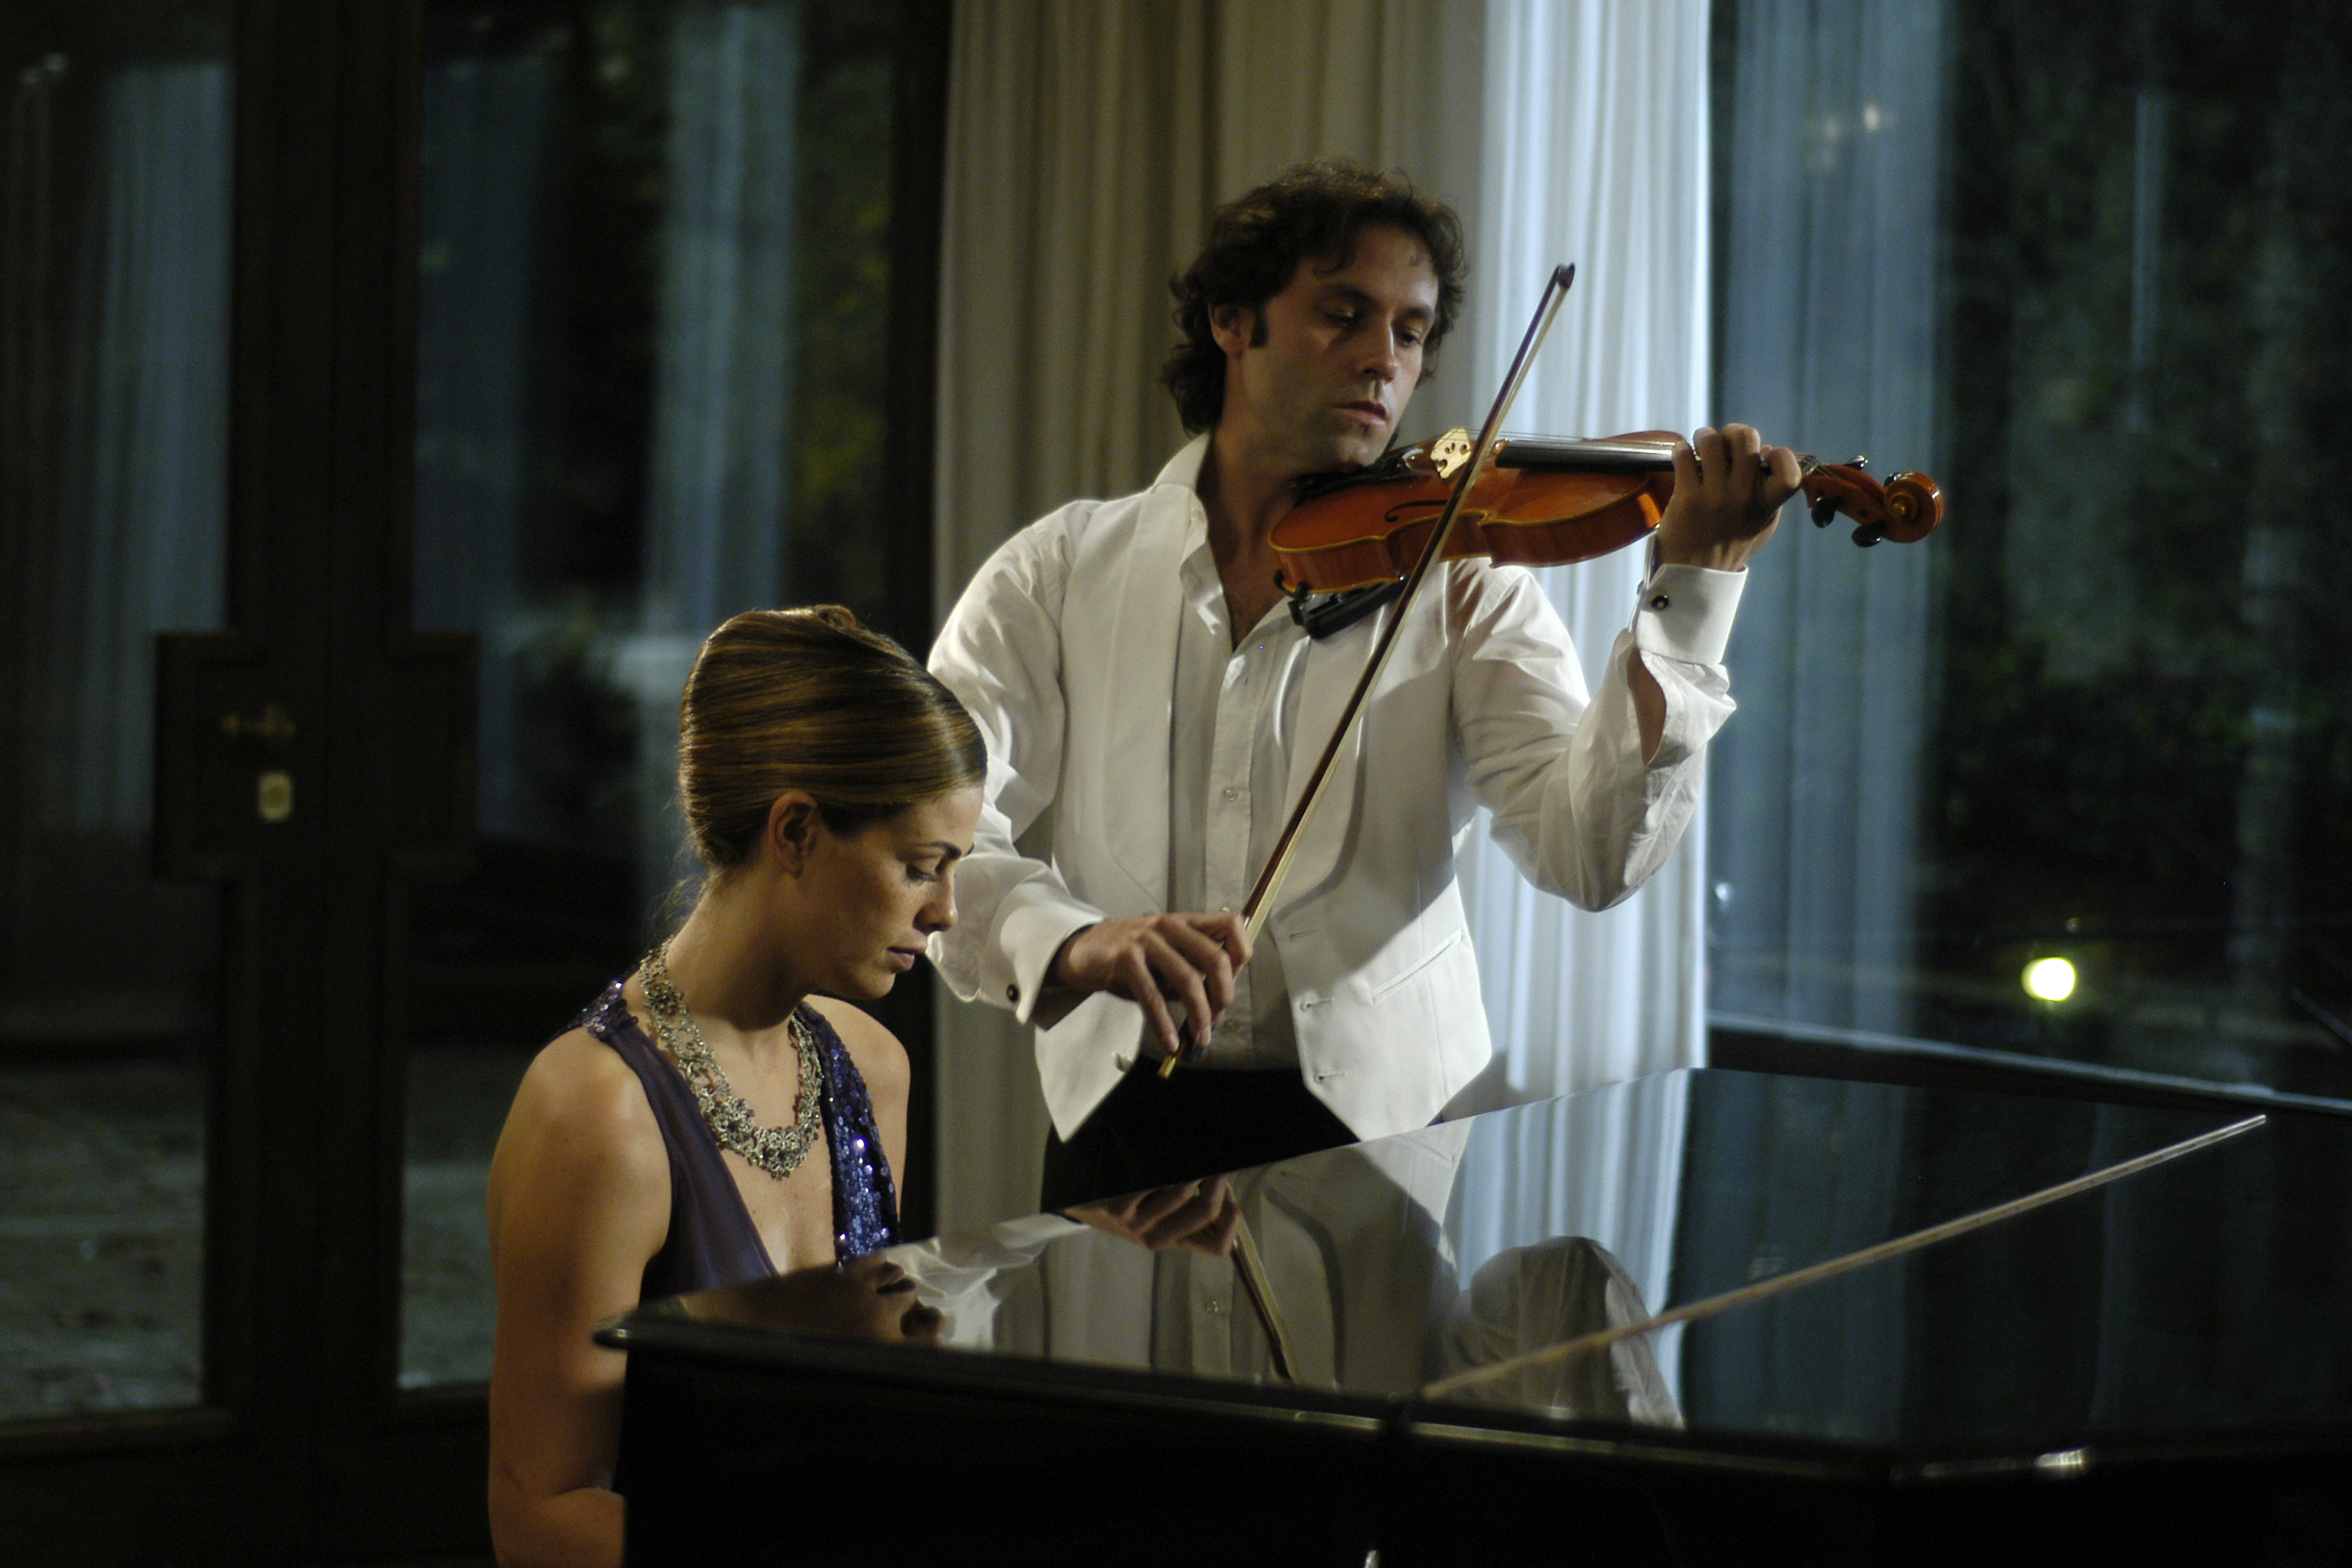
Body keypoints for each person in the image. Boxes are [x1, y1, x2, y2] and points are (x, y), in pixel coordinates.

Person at [928, 157, 1799, 1210]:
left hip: (1383, 1139)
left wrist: (1693, 593)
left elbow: (1591, 852)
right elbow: (926, 825)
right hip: (1120, 1128)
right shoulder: (1061, 570)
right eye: (1343, 315)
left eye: (1411, 331)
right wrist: (1070, 940)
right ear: (1231, 322)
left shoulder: (1464, 576)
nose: (1384, 359)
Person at [484, 605, 984, 1568]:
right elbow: (539, 1519)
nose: (947, 911)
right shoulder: (599, 1118)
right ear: (795, 830)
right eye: (922, 866)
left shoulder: (873, 1067)